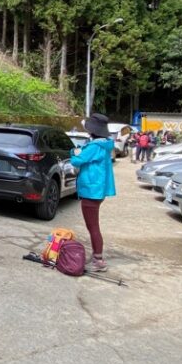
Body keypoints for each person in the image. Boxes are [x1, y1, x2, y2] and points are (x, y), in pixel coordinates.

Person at [69, 112, 116, 272]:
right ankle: (97, 257)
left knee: (93, 227)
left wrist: (73, 152)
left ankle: (98, 260)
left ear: (92, 131)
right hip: (98, 190)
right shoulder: (104, 145)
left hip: (91, 190)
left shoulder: (94, 146)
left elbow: (77, 160)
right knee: (93, 226)